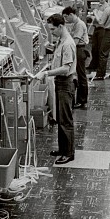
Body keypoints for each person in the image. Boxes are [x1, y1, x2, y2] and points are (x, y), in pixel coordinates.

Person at [38, 13, 76, 165]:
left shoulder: (67, 44)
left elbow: (66, 69)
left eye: (53, 29)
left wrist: (46, 73)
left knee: (66, 120)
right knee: (60, 119)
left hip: (65, 83)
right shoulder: (61, 41)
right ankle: (63, 149)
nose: (51, 32)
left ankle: (69, 153)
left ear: (60, 26)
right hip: (60, 83)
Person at [62, 5, 89, 109]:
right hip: (79, 49)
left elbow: (75, 42)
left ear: (71, 15)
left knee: (81, 76)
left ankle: (82, 101)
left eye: (66, 17)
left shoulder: (79, 25)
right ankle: (80, 100)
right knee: (80, 74)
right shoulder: (76, 24)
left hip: (79, 50)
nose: (65, 19)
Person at [87, 0, 108, 76]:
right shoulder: (98, 6)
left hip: (102, 29)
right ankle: (93, 64)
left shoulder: (106, 7)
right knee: (94, 48)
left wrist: (95, 14)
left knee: (100, 48)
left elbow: (100, 20)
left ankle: (99, 67)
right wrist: (92, 16)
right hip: (96, 28)